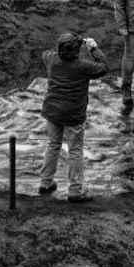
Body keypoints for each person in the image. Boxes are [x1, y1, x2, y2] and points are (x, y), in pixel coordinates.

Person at [37, 33, 107, 200]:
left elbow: (46, 52)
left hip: (53, 111)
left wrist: (62, 46)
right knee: (75, 150)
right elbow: (104, 67)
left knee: (53, 145)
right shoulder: (83, 66)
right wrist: (93, 48)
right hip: (73, 114)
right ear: (76, 51)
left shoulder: (51, 59)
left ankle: (45, 182)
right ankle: (75, 190)